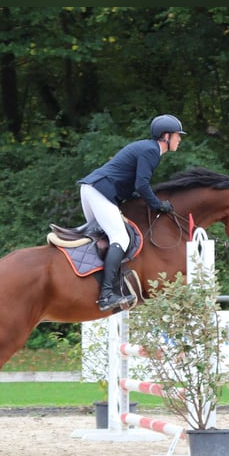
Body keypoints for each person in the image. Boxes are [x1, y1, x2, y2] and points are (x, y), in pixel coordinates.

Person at [78, 113, 186, 312]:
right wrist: (158, 205)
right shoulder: (152, 151)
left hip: (92, 189)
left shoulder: (147, 148)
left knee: (103, 241)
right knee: (120, 237)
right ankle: (106, 295)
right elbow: (142, 184)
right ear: (166, 136)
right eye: (177, 135)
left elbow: (131, 185)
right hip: (99, 191)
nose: (180, 139)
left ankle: (98, 287)